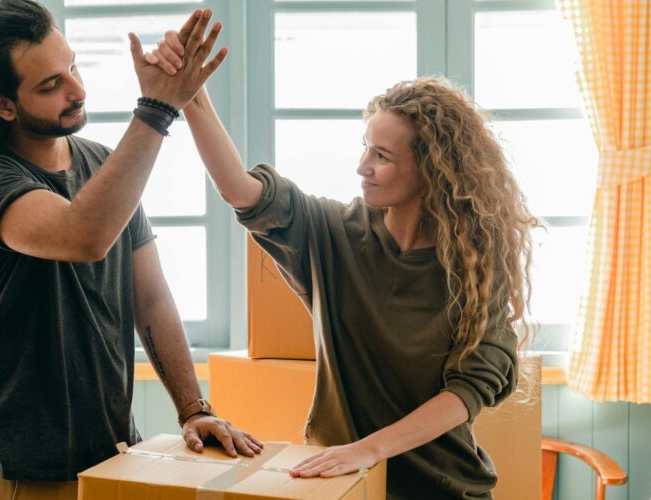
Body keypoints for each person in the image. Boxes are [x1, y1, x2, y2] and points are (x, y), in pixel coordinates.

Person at [148, 32, 539, 499]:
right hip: (341, 485)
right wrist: (191, 96)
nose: (361, 166)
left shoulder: (473, 266)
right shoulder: (332, 232)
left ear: (432, 169)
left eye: (382, 156)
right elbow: (240, 190)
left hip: (443, 489)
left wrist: (369, 449)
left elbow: (467, 391)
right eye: (365, 146)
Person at [0, 2, 261, 498]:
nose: (77, 90)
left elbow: (150, 297)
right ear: (2, 105)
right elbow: (83, 236)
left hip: (110, 453)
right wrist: (157, 108)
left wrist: (194, 408)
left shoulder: (103, 164)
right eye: (50, 86)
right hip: (14, 466)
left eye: (73, 66)